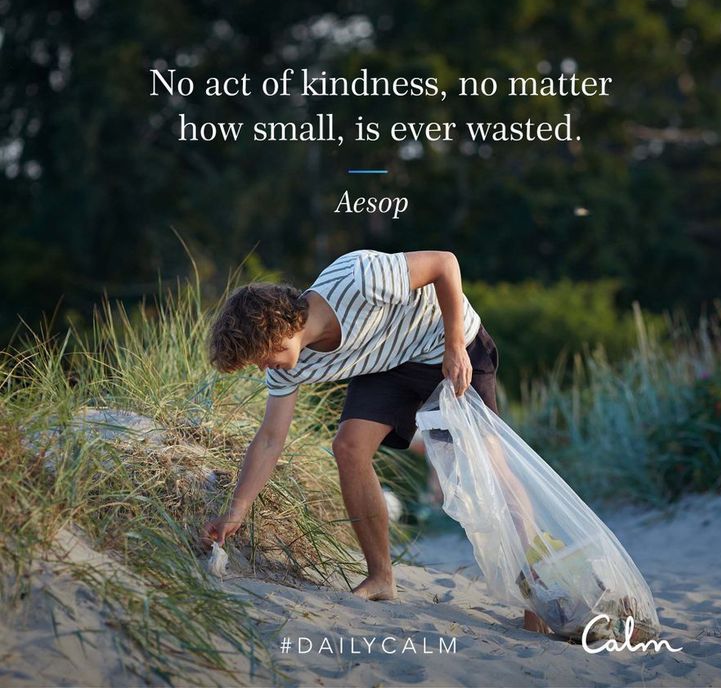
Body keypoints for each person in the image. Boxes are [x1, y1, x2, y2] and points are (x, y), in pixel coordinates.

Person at [202, 249, 551, 633]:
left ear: (278, 325)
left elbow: (445, 264)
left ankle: (538, 596)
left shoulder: (359, 278)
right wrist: (235, 512)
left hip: (449, 341)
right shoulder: (289, 366)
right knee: (348, 446)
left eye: (261, 355)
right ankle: (381, 577)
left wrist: (454, 345)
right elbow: (269, 440)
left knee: (491, 468)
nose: (262, 366)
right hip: (388, 364)